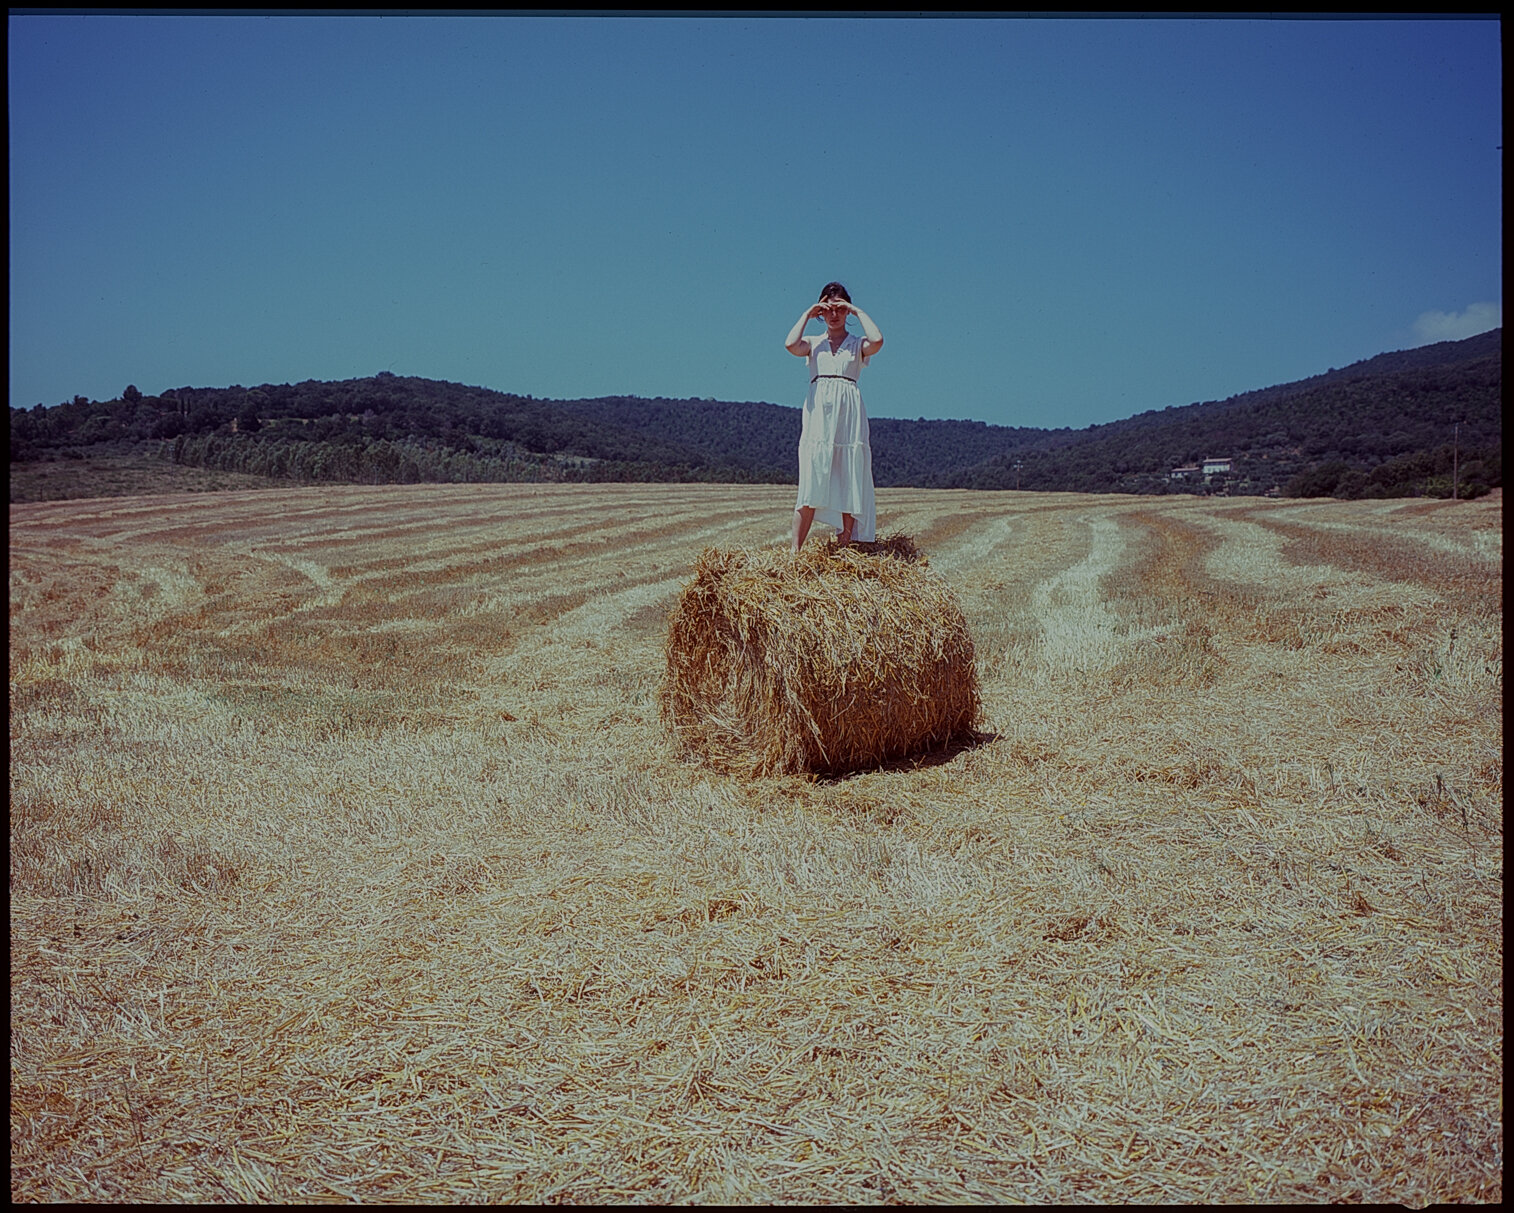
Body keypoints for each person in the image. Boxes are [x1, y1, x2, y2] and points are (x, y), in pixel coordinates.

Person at [783, 282, 883, 551]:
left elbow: (877, 340)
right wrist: (807, 314)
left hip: (848, 416)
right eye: (828, 309)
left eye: (840, 308)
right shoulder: (813, 344)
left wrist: (856, 310)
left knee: (849, 473)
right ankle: (795, 552)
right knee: (811, 479)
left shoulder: (857, 344)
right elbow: (790, 344)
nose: (834, 314)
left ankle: (846, 547)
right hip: (818, 418)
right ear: (821, 313)